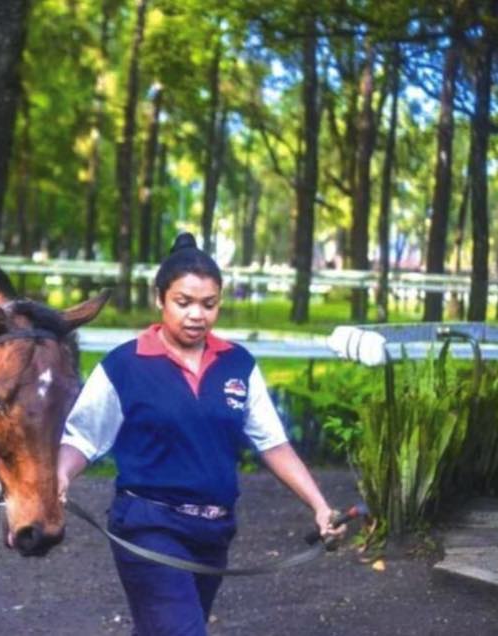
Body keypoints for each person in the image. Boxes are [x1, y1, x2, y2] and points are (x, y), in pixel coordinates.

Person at [57, 233, 345, 636]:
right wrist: (60, 476)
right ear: (159, 299)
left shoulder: (237, 364)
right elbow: (82, 438)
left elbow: (272, 443)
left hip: (214, 532)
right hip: (148, 526)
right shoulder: (124, 365)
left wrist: (319, 505)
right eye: (184, 302)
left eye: (209, 305)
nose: (197, 315)